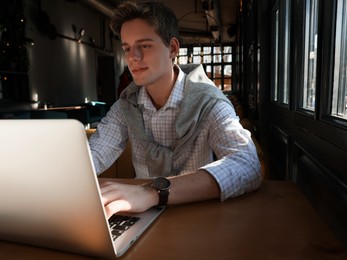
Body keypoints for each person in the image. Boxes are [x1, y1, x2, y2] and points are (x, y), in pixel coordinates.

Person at [88, 1, 261, 218]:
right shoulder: (127, 105)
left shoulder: (208, 102)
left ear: (172, 48)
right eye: (127, 48)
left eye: (145, 45)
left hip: (197, 216)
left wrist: (152, 192)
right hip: (141, 217)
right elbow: (94, 155)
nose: (133, 57)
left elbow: (248, 165)